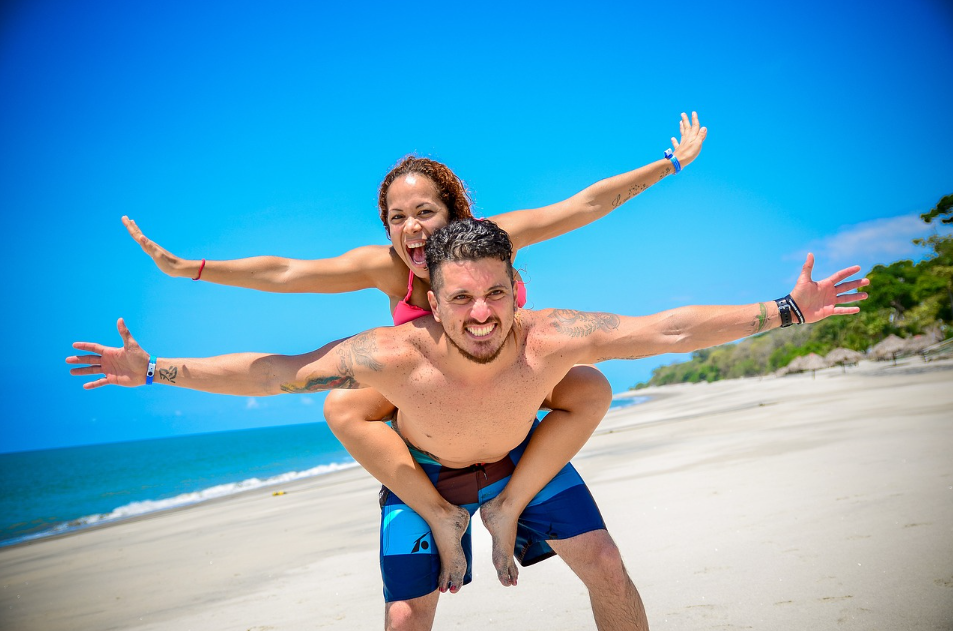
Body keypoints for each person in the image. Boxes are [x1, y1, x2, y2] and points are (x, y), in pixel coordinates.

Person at [68, 218, 869, 631]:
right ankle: (452, 520)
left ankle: (507, 507)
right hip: (426, 474)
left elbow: (668, 328)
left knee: (607, 566)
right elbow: (276, 373)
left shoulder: (552, 335)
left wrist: (787, 308)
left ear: (516, 287)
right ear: (431, 298)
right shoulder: (390, 354)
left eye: (494, 293)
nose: (481, 313)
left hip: (522, 458)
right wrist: (154, 369)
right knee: (405, 617)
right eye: (460, 298)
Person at [121, 113, 708, 590]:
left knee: (588, 385)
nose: (412, 228)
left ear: (454, 213)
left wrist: (670, 164)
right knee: (342, 403)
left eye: (425, 212)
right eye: (397, 217)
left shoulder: (490, 240)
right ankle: (440, 515)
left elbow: (583, 206)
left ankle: (510, 506)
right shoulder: (386, 266)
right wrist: (191, 269)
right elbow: (287, 272)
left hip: (509, 384)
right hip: (435, 399)